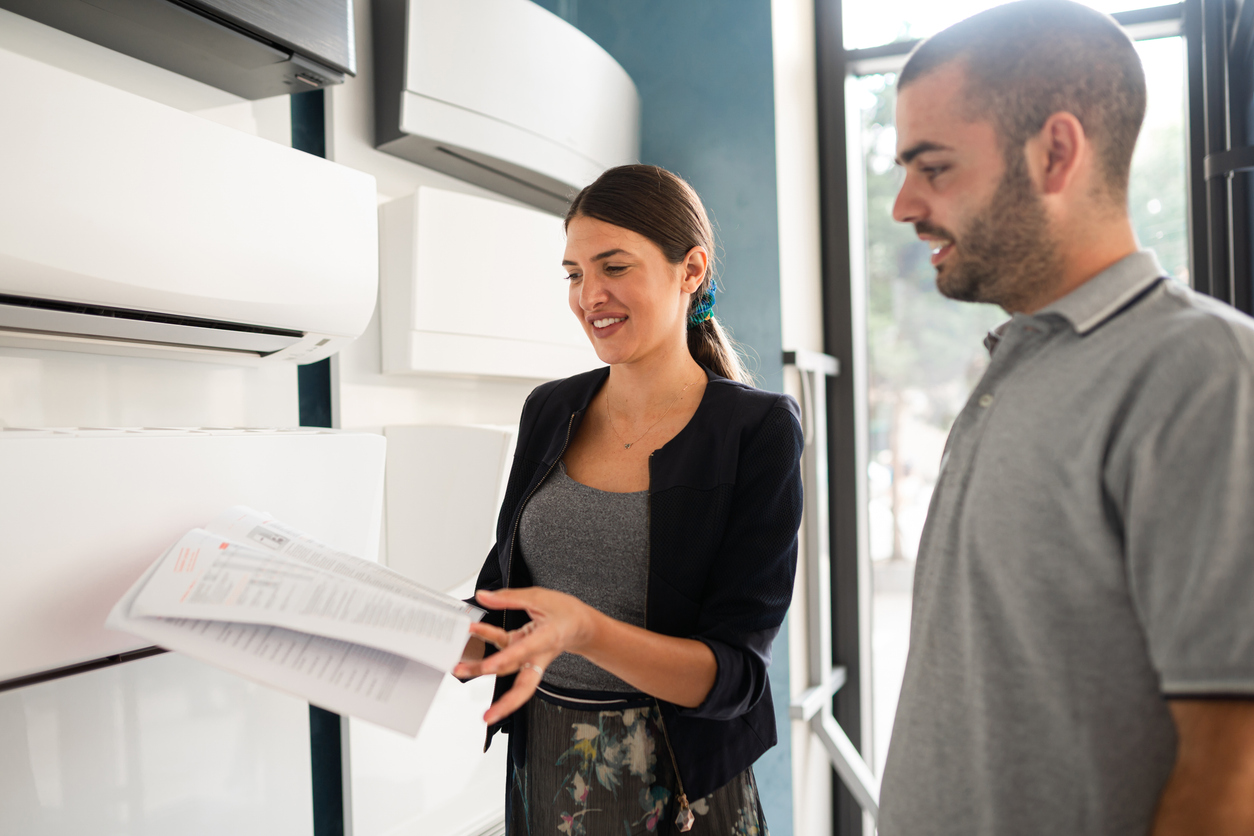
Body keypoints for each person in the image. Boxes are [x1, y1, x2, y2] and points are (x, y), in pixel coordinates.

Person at [879, 2, 1254, 834]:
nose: (904, 205)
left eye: (932, 167)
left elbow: (1236, 768)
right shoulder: (1019, 363)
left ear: (1056, 153)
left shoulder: (1200, 372)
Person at [452, 164, 804, 835]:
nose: (590, 295)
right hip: (544, 763)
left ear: (691, 269)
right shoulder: (550, 408)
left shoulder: (756, 430)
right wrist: (456, 640)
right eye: (574, 273)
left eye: (614, 266)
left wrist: (587, 631)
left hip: (677, 785)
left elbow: (734, 678)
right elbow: (504, 587)